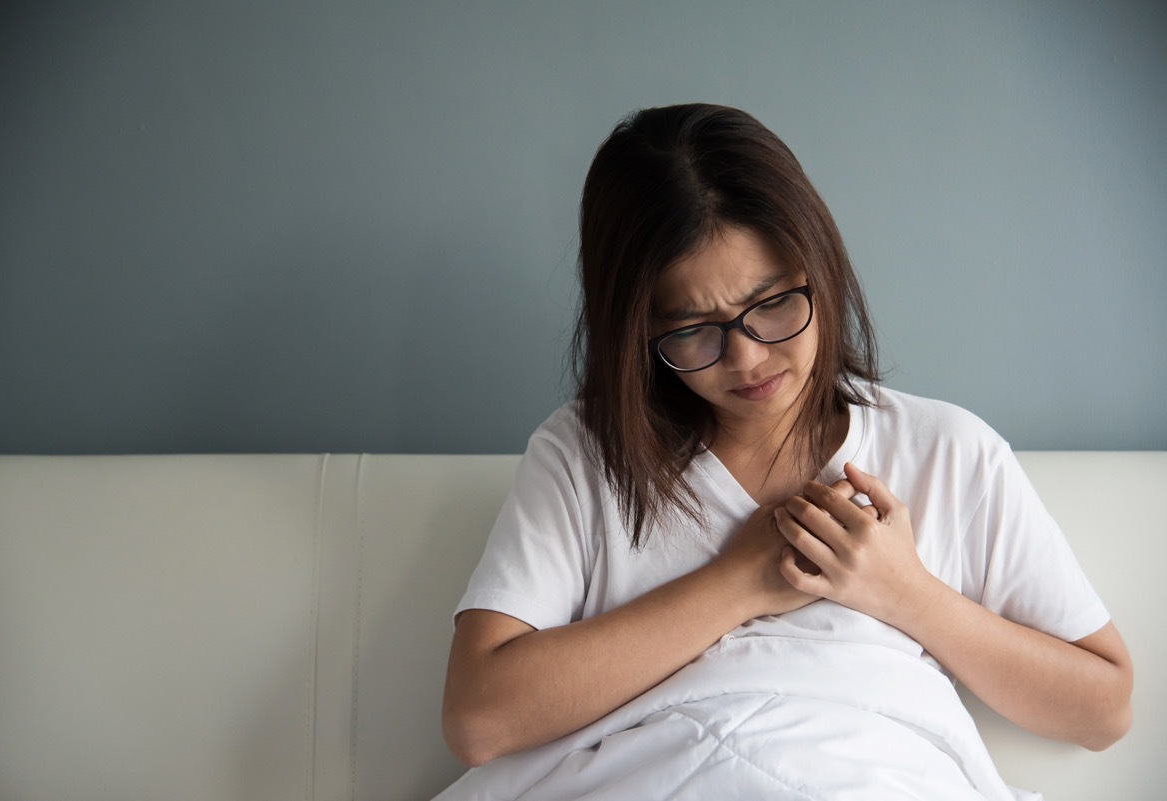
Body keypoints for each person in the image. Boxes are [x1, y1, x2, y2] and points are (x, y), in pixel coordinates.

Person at [438, 104, 1132, 798]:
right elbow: (477, 720)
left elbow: (1103, 708)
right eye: (692, 330)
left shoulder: (947, 452)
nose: (746, 358)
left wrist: (906, 593)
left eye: (771, 303)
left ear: (819, 269)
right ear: (638, 333)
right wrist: (739, 582)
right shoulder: (587, 455)